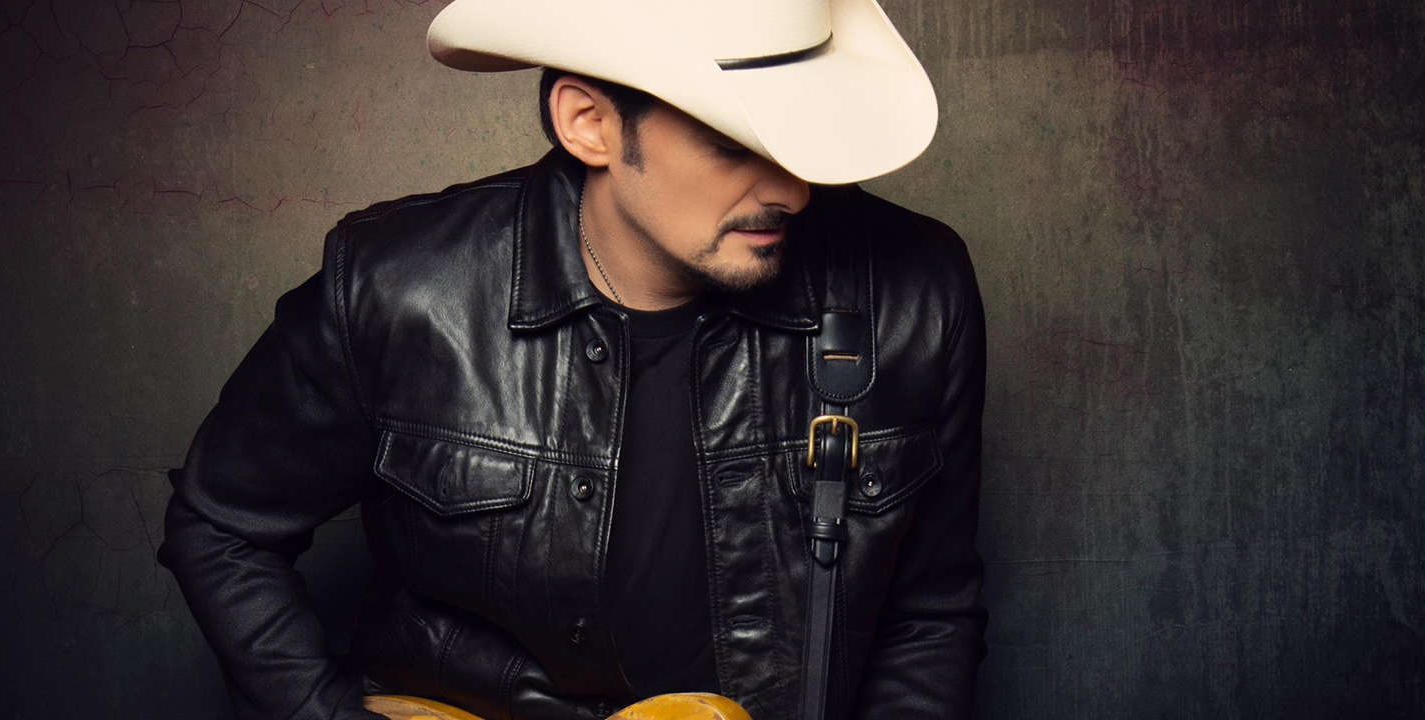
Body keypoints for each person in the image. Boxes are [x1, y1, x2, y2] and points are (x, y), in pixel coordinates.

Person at [157, 1, 989, 719]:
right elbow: (222, 526)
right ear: (589, 123)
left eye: (797, 137)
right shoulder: (398, 286)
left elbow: (930, 610)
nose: (793, 191)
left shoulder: (913, 292)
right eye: (733, 144)